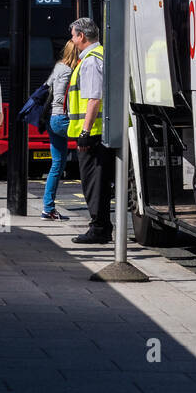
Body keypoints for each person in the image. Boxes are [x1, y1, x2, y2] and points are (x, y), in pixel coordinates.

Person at [68, 18, 111, 245]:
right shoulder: (100, 55)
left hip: (93, 133)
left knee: (93, 183)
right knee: (99, 182)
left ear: (81, 37)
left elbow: (94, 98)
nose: (72, 40)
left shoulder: (91, 61)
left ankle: (99, 228)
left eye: (74, 36)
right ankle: (101, 226)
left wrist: (84, 132)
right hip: (98, 131)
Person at [42, 39, 77, 221]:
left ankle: (48, 209)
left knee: (57, 164)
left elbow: (48, 88)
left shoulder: (58, 66)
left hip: (51, 119)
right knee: (93, 139)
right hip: (61, 119)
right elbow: (64, 97)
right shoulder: (71, 71)